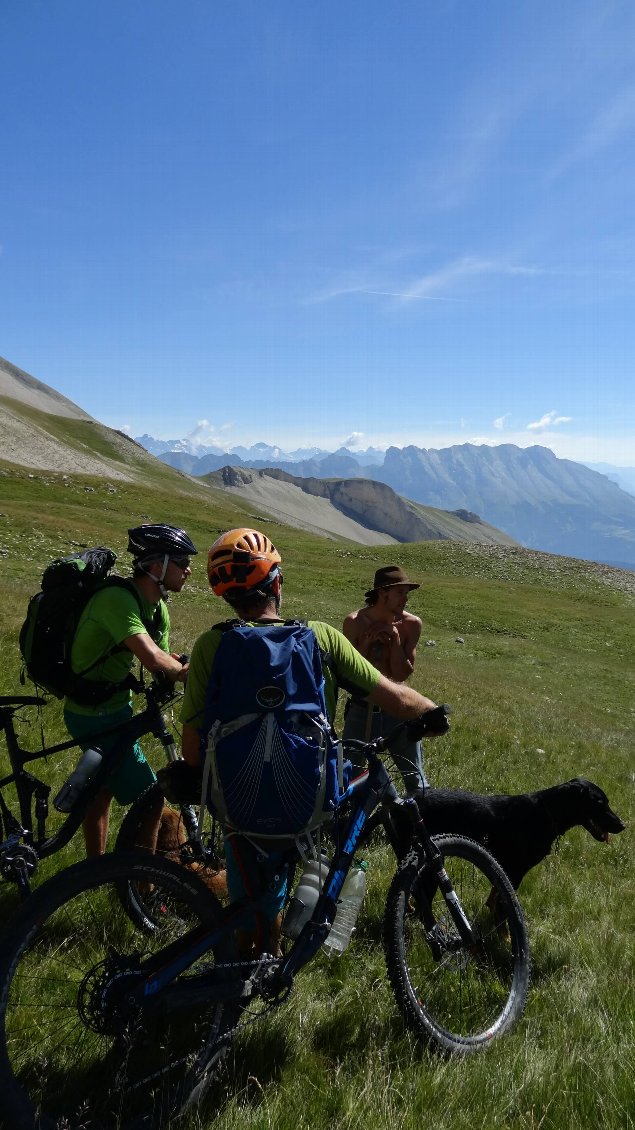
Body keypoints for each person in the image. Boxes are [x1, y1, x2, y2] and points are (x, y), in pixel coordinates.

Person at [180, 528, 442, 956]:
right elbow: (393, 695)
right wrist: (432, 713)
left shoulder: (212, 645)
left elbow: (192, 753)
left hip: (236, 804)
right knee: (294, 868)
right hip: (307, 800)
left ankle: (247, 964)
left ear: (225, 595)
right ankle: (273, 954)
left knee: (248, 894)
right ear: (277, 584)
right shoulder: (319, 636)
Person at [64, 523, 197, 857]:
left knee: (100, 792)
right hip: (91, 713)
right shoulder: (116, 599)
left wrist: (176, 669)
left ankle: (96, 870)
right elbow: (153, 658)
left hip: (115, 711)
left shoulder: (157, 609)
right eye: (181, 562)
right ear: (156, 566)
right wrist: (197, 676)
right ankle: (141, 885)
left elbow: (164, 663)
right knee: (150, 798)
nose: (188, 570)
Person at [342, 565, 426, 794]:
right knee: (349, 775)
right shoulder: (354, 622)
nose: (405, 599)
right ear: (383, 592)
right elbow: (349, 672)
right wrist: (367, 644)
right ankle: (351, 824)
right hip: (361, 709)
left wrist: (396, 641)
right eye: (401, 592)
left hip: (397, 708)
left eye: (407, 593)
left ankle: (422, 824)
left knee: (414, 779)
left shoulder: (411, 625)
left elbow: (401, 674)